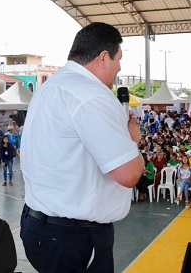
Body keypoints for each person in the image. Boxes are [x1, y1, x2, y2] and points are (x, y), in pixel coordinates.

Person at [20, 23, 144, 273]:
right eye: (119, 59)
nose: (119, 67)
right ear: (103, 57)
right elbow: (129, 175)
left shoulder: (49, 88)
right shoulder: (91, 95)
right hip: (74, 237)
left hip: (40, 226)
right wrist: (133, 141)